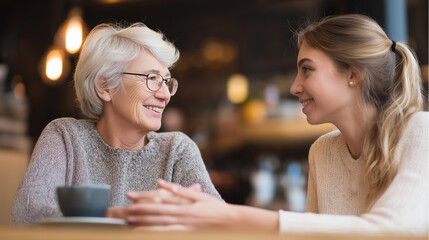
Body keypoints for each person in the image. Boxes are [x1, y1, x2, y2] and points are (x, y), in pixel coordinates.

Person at [119, 14, 428, 235]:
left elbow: (393, 228)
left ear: (352, 74)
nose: (294, 87)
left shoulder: (421, 132)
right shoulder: (324, 151)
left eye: (307, 70)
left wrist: (227, 216)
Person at [11, 22, 221, 225]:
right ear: (106, 87)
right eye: (152, 78)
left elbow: (219, 222)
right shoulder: (65, 137)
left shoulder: (177, 149)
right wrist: (124, 218)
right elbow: (27, 217)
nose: (165, 94)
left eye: (166, 81)